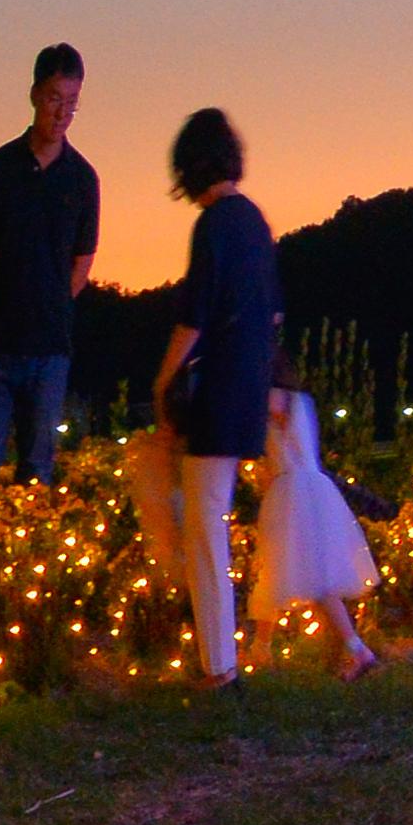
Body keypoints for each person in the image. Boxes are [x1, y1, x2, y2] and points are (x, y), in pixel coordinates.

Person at [148, 106, 280, 686]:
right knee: (218, 519)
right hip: (250, 387)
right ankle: (230, 654)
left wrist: (162, 379)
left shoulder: (214, 225)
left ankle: (217, 666)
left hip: (216, 391)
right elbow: (271, 311)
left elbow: (193, 316)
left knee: (204, 528)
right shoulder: (254, 221)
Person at [0, 42, 100, 502]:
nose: (63, 112)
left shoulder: (82, 179)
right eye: (56, 99)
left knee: (38, 473)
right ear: (36, 94)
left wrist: (51, 304)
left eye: (73, 102)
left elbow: (82, 261)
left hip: (51, 350)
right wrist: (2, 304)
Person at [252, 382, 387, 675]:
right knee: (281, 568)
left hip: (293, 490)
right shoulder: (300, 401)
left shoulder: (275, 398)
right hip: (304, 487)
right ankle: (260, 648)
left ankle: (357, 649)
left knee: (308, 573)